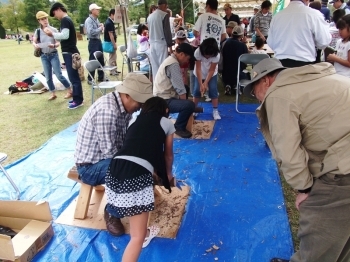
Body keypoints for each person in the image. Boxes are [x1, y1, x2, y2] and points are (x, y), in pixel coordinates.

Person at [243, 57, 350, 262]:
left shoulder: (278, 95)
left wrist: (305, 189)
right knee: (343, 235)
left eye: (254, 91)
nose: (257, 99)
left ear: (266, 80)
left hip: (344, 167)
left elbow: (288, 152)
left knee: (319, 233)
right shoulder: (316, 78)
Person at [105, 96, 175, 261]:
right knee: (137, 237)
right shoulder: (167, 123)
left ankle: (142, 229)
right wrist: (169, 175)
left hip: (114, 170)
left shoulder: (134, 121)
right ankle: (142, 233)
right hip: (136, 174)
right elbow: (168, 155)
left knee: (134, 214)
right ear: (165, 110)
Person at [267, 0, 331, 68]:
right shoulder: (313, 14)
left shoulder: (277, 16)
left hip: (280, 64)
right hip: (304, 64)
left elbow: (270, 42)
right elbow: (324, 42)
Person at [153, 43, 196, 138]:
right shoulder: (173, 64)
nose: (187, 62)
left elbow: (181, 87)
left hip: (162, 95)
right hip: (163, 100)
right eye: (187, 58)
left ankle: (174, 115)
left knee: (186, 89)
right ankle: (179, 127)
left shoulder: (171, 60)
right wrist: (187, 106)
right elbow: (180, 89)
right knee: (189, 105)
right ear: (182, 54)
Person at [47, 2, 84, 109]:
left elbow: (65, 35)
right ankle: (77, 98)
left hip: (70, 53)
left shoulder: (65, 20)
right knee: (74, 77)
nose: (56, 17)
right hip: (70, 52)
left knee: (74, 78)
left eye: (55, 14)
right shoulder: (67, 20)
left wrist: (52, 34)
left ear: (58, 9)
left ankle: (78, 100)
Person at [33, 11, 72, 101]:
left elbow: (58, 42)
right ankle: (52, 93)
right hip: (44, 55)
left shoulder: (53, 30)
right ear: (39, 21)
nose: (45, 20)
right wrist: (35, 45)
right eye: (42, 19)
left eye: (46, 18)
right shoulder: (38, 31)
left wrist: (54, 45)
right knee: (48, 76)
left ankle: (70, 90)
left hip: (53, 54)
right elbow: (34, 41)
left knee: (59, 75)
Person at [193, 38, 221, 120]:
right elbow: (198, 69)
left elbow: (211, 70)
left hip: (211, 74)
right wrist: (201, 84)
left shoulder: (217, 55)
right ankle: (194, 109)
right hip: (199, 73)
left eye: (209, 55)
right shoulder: (197, 52)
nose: (207, 56)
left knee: (213, 90)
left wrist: (205, 83)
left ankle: (215, 110)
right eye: (205, 54)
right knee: (197, 90)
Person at [147, 0, 173, 83]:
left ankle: (156, 87)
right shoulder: (164, 15)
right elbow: (167, 32)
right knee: (163, 67)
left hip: (152, 44)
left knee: (155, 68)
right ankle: (163, 86)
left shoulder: (150, 17)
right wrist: (170, 46)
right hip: (161, 43)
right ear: (165, 5)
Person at [221, 26, 249, 96]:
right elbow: (245, 58)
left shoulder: (225, 43)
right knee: (245, 72)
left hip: (225, 72)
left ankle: (228, 85)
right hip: (238, 71)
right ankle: (237, 86)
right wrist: (244, 43)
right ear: (241, 35)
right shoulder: (242, 45)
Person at [85, 3, 105, 84]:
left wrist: (99, 26)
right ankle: (90, 78)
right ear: (92, 10)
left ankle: (101, 77)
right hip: (93, 42)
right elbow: (91, 32)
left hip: (98, 40)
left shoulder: (96, 19)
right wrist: (100, 28)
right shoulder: (89, 20)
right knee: (93, 60)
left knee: (101, 59)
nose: (98, 11)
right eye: (97, 9)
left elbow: (96, 29)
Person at [104, 8, 119, 76]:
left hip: (110, 42)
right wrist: (114, 44)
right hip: (110, 42)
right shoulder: (109, 23)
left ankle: (114, 69)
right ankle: (112, 71)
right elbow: (111, 35)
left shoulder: (110, 22)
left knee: (114, 56)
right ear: (112, 14)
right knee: (112, 57)